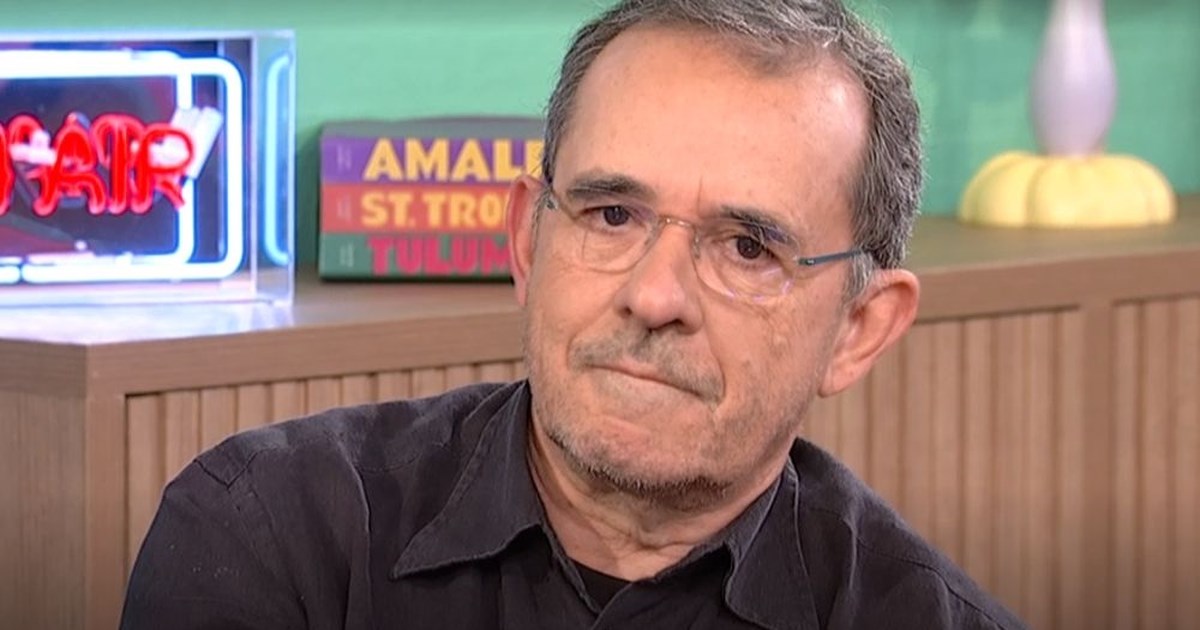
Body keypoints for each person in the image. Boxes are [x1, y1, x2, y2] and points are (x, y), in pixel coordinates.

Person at [121, 1, 1029, 628]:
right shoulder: (267, 535)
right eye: (612, 215)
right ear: (528, 239)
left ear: (859, 330)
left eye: (748, 248)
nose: (654, 296)